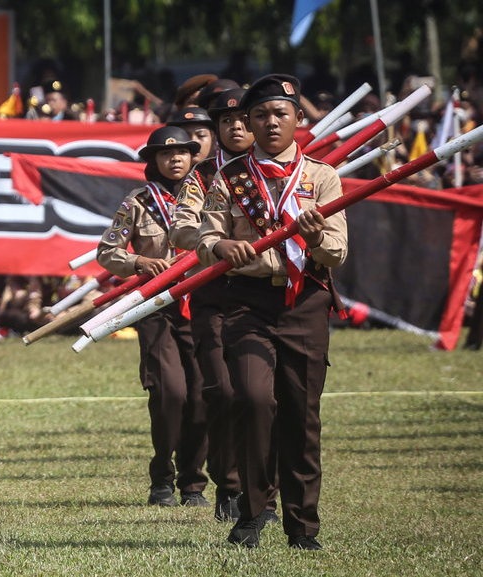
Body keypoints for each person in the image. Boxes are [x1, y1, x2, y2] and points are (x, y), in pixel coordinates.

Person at [196, 74, 348, 550]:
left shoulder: (322, 177)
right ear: (249, 122)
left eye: (280, 113)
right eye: (259, 115)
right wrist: (221, 246)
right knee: (252, 398)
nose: (270, 122)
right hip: (247, 302)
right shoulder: (229, 177)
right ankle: (253, 508)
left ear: (298, 118)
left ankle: (302, 527)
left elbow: (337, 251)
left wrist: (316, 235)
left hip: (305, 304)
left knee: (301, 415)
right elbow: (204, 237)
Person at [97, 126, 209, 508]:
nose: (174, 159)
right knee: (169, 393)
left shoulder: (213, 195)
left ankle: (193, 483)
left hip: (202, 304)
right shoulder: (138, 201)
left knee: (201, 395)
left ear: (193, 157)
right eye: (165, 153)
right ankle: (162, 476)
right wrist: (139, 262)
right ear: (153, 161)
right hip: (156, 307)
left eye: (182, 152)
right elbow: (106, 251)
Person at [171, 87, 254, 523]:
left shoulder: (283, 170)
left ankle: (261, 490)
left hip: (268, 293)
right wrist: (217, 241)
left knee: (263, 397)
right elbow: (181, 229)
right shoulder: (201, 176)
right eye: (225, 121)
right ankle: (230, 485)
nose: (235, 127)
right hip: (215, 294)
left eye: (243, 119)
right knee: (221, 390)